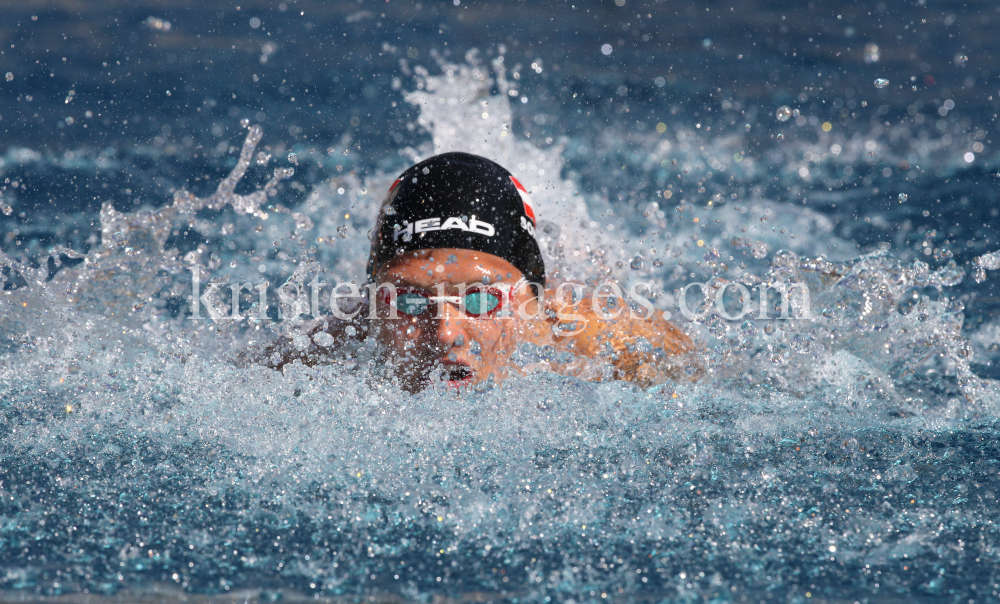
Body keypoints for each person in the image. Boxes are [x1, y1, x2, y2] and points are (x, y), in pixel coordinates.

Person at [253, 152, 698, 390]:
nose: (445, 332)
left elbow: (701, 377)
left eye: (481, 300)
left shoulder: (597, 339)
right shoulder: (322, 352)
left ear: (531, 299)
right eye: (409, 300)